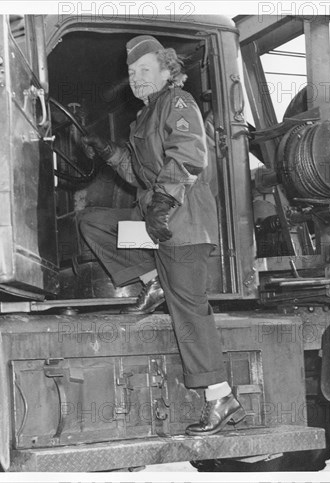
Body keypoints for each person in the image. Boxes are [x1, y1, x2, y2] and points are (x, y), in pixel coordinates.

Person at [78, 35, 245, 435]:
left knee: (188, 309)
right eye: (133, 74)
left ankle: (220, 396)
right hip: (155, 225)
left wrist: (162, 204)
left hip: (181, 223)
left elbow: (189, 153)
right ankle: (152, 282)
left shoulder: (178, 102)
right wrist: (107, 151)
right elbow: (139, 175)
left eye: (145, 71)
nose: (137, 79)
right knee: (93, 223)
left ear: (167, 70)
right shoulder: (146, 116)